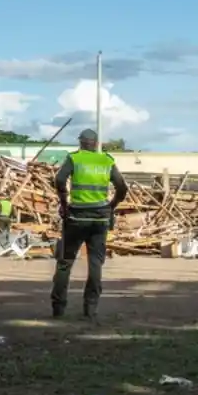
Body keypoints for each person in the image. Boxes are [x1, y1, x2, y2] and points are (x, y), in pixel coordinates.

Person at [50, 129, 128, 319]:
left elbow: (60, 180)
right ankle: (90, 308)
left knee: (65, 262)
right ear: (95, 143)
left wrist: (63, 202)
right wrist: (112, 205)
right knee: (95, 263)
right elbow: (122, 187)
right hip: (100, 219)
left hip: (76, 216)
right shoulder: (106, 160)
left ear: (81, 143)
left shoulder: (75, 159)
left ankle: (58, 307)